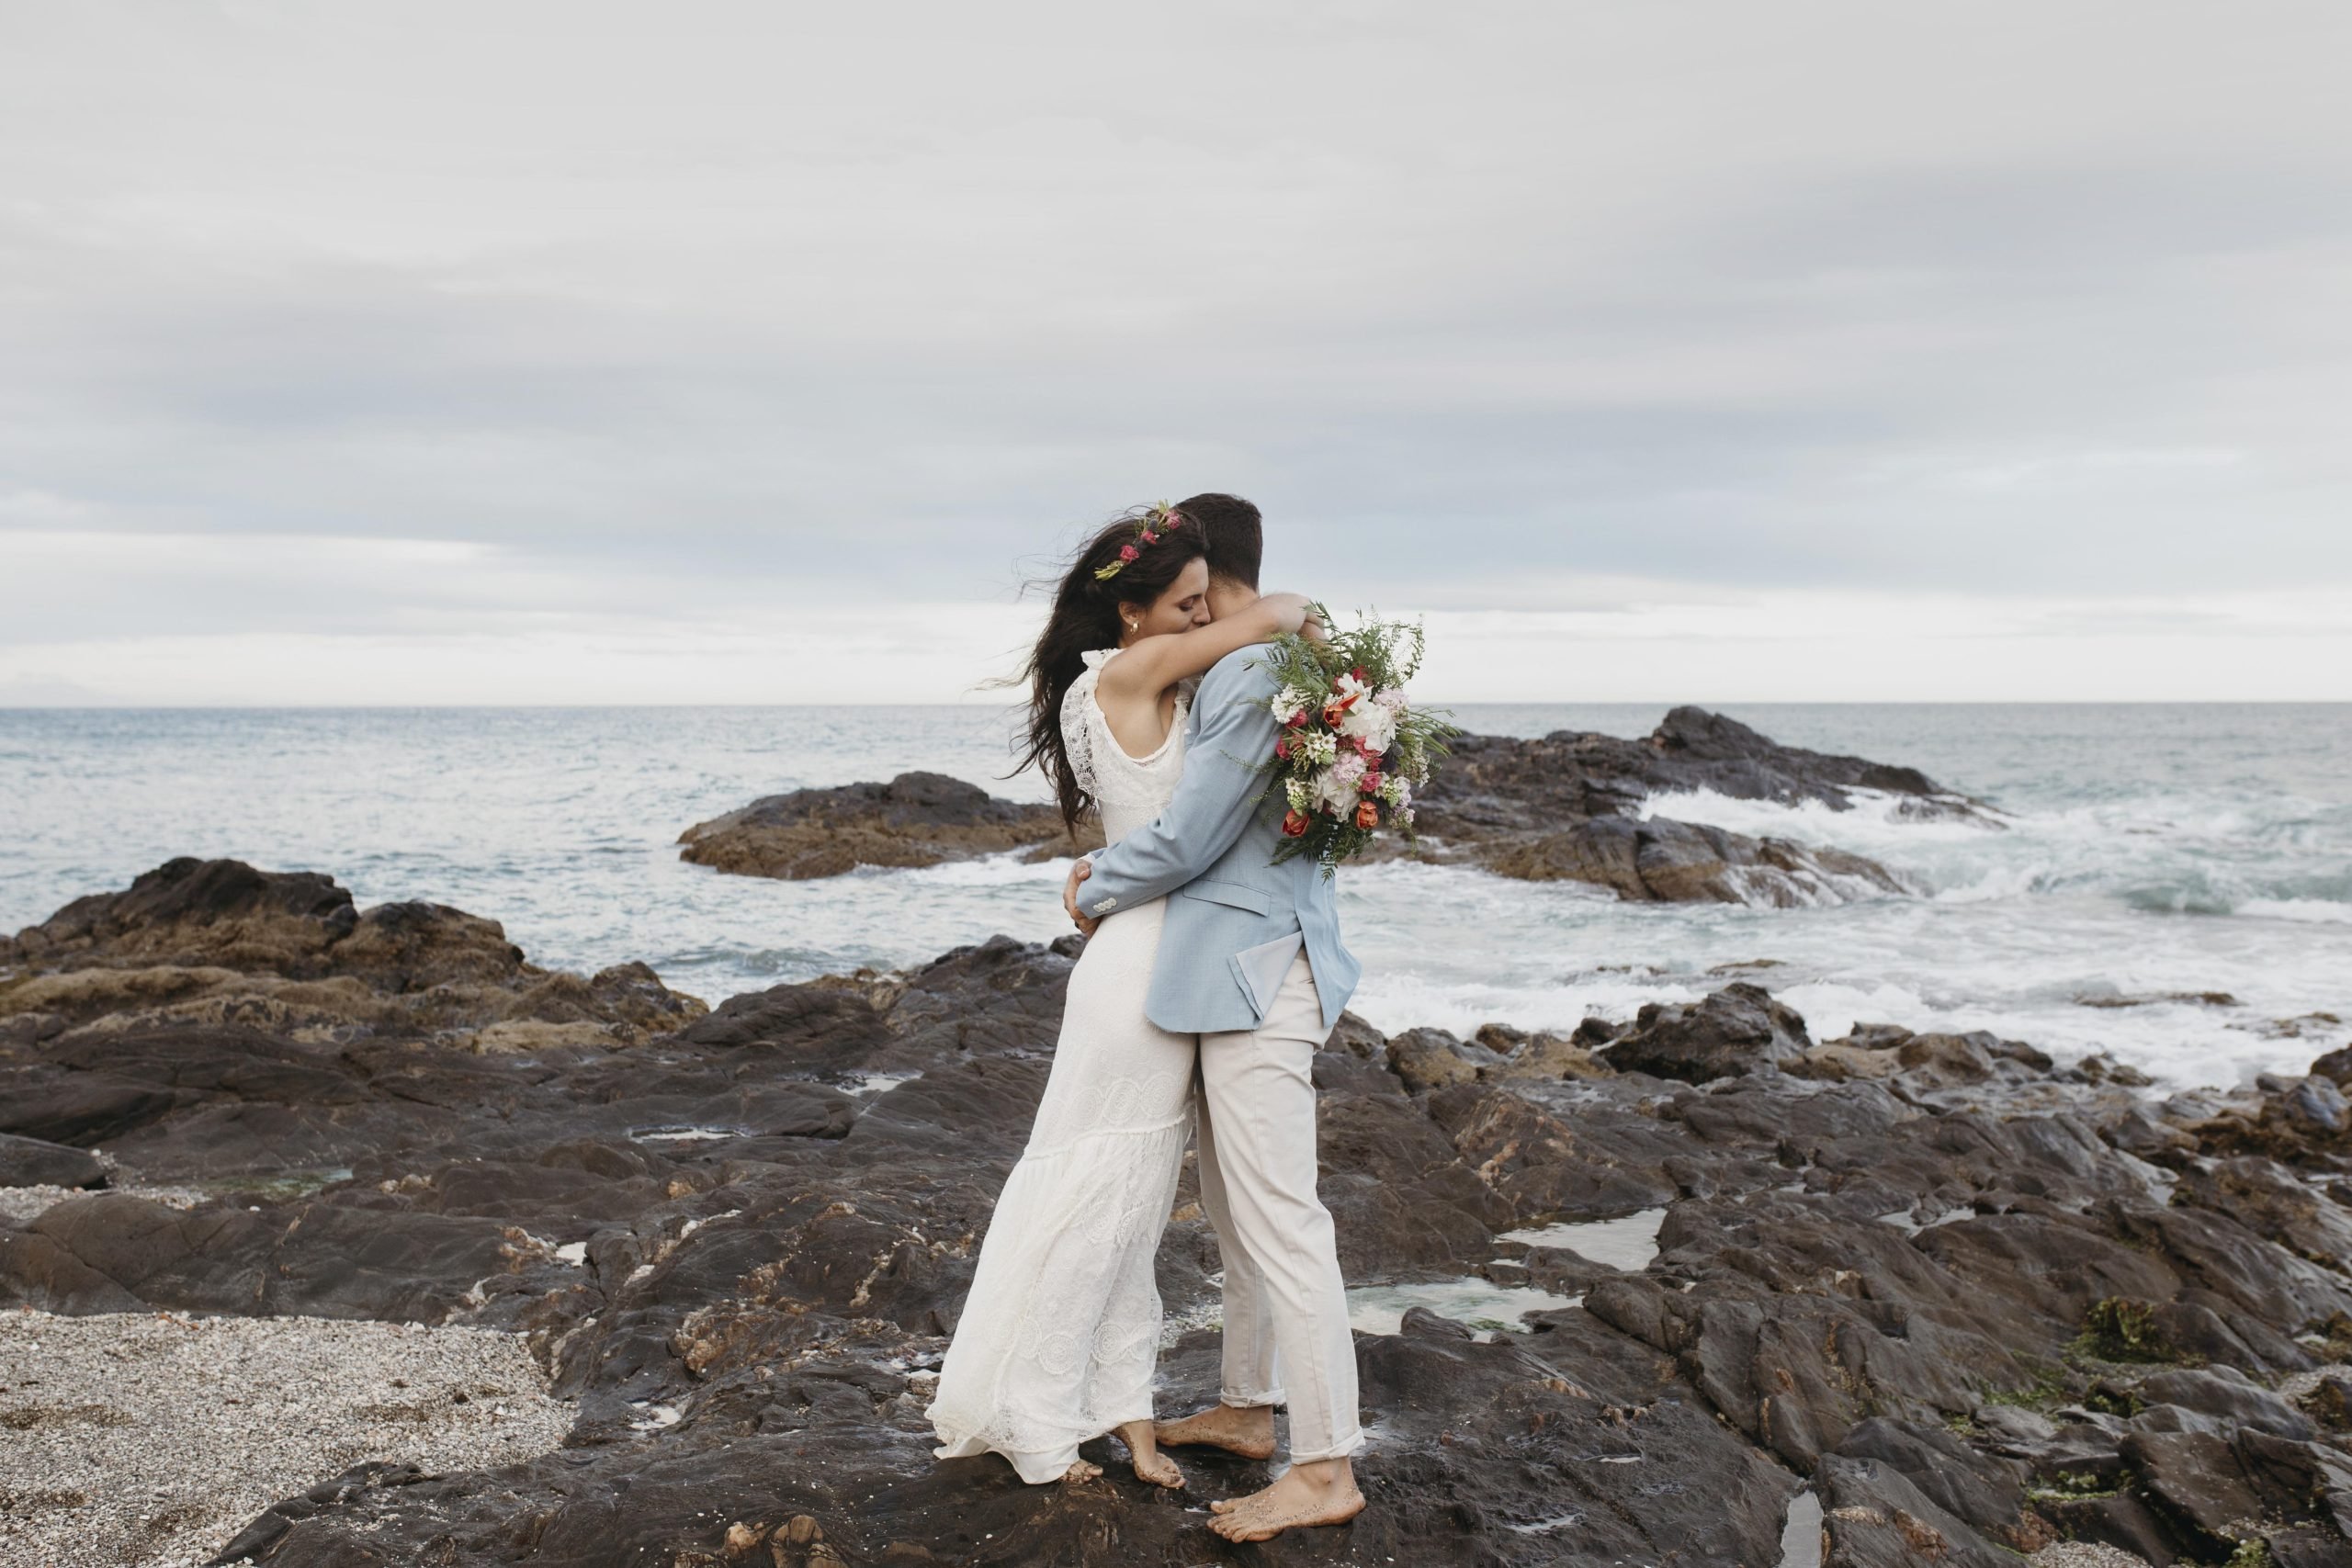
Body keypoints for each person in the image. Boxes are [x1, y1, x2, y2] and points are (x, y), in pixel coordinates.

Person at [927, 501, 1317, 1490]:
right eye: (1185, 603)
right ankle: (1041, 1416)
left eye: (1204, 599)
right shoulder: (1125, 672)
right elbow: (1273, 615)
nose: (1201, 618)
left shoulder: (1155, 680)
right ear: (1132, 612)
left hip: (1161, 953)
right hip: (1137, 966)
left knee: (1133, 1206)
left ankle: (1124, 1413)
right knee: (1095, 1194)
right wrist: (1297, 618)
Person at [1061, 492, 1370, 1542]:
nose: (1191, 615)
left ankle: (1324, 1466)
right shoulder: (1292, 661)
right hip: (1255, 962)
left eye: (1194, 595)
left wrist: (1095, 883)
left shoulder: (1247, 671)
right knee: (1239, 1213)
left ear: (1207, 572)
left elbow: (1192, 835)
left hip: (1253, 975)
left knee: (1281, 1219)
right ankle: (1247, 1408)